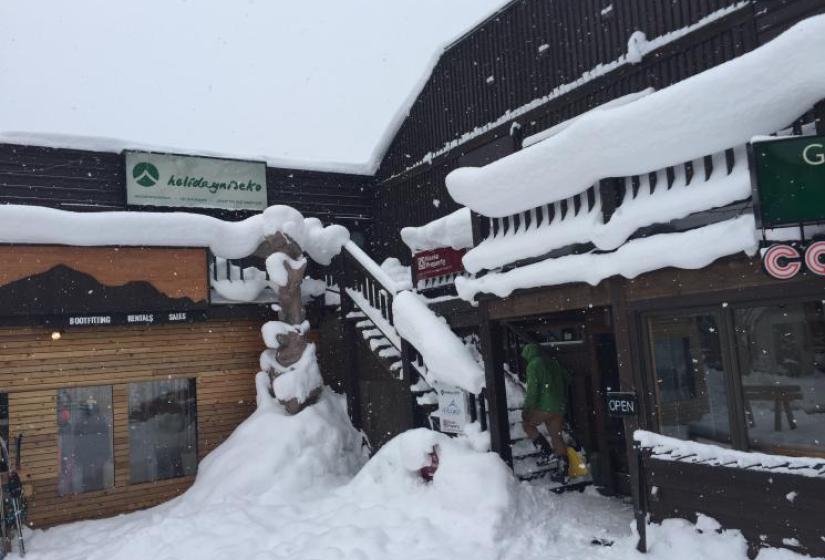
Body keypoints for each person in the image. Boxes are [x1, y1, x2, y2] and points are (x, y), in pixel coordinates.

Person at [521, 343, 571, 483]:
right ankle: (563, 472)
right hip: (559, 406)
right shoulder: (553, 362)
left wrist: (527, 410)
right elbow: (568, 378)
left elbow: (532, 391)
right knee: (557, 437)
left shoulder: (533, 365)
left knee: (527, 425)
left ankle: (547, 453)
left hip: (545, 406)